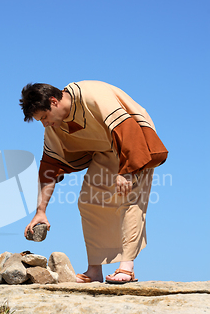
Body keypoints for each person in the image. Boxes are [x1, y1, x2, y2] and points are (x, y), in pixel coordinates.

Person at [19, 80, 168, 283]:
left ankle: (126, 268)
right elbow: (49, 168)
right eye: (40, 121)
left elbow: (126, 128)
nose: (44, 123)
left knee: (129, 197)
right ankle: (94, 271)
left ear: (54, 101)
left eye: (44, 117)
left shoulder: (92, 95)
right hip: (105, 150)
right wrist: (41, 211)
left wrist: (127, 171)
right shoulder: (54, 126)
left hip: (134, 140)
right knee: (88, 201)